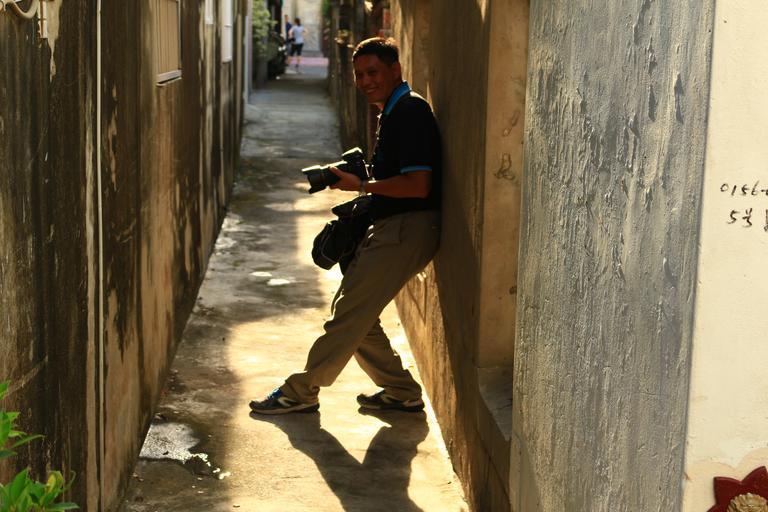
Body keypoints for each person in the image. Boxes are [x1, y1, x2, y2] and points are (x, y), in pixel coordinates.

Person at [249, 37, 442, 415]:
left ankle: (300, 391)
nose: (365, 81)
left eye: (373, 72)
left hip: (407, 228)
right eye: (359, 75)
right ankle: (401, 391)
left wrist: (363, 185)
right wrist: (358, 178)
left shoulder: (410, 111)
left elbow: (419, 185)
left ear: (395, 70)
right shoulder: (393, 110)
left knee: (349, 313)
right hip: (393, 226)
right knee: (354, 312)